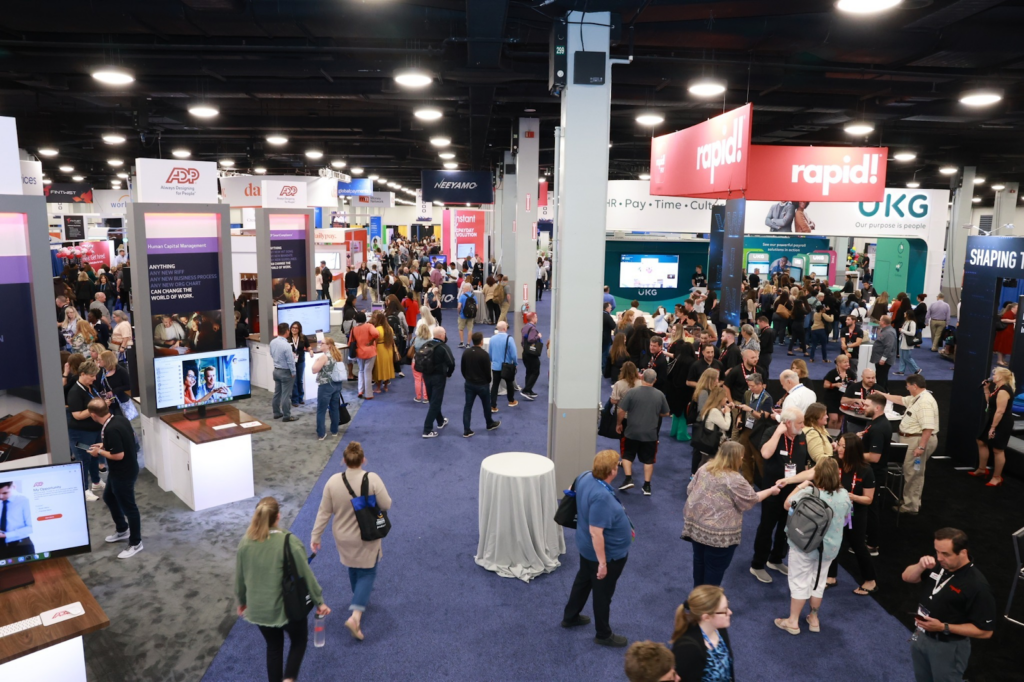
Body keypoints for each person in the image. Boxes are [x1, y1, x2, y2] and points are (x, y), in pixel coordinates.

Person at [236, 497, 329, 682]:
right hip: (287, 609)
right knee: (299, 641)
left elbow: (240, 578)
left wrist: (242, 602)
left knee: (273, 647)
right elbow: (306, 575)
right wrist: (319, 602)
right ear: (278, 516)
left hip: (259, 611)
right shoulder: (289, 541)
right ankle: (289, 679)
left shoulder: (245, 543)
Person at [310, 442, 390, 641]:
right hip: (367, 534)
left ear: (344, 461)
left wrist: (315, 536)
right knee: (368, 571)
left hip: (343, 537)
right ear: (363, 460)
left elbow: (324, 512)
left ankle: (358, 597)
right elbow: (386, 504)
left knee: (353, 566)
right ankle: (355, 616)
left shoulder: (333, 481)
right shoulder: (372, 478)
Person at [901, 528, 996, 682]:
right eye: (937, 552)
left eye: (945, 554)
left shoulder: (977, 586)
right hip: (920, 635)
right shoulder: (940, 563)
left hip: (948, 647)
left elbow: (986, 631)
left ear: (963, 553)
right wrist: (920, 565)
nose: (939, 558)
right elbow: (906, 577)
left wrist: (943, 627)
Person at [561, 449, 633, 647]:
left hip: (585, 546)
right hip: (605, 555)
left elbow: (570, 489)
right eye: (617, 465)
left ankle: (570, 616)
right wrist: (602, 564)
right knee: (603, 594)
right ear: (612, 471)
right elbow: (596, 532)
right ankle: (603, 634)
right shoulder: (602, 496)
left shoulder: (585, 476)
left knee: (583, 580)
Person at [683, 442, 779, 587]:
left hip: (696, 527)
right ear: (736, 458)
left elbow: (690, 490)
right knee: (714, 571)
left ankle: (697, 600)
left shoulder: (704, 468)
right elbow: (751, 499)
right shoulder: (735, 479)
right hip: (719, 536)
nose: (742, 459)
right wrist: (772, 490)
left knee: (699, 563)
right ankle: (709, 606)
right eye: (741, 457)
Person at [773, 458, 851, 636]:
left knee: (799, 581)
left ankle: (793, 622)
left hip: (804, 545)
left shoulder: (808, 492)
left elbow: (787, 505)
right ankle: (813, 618)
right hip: (829, 550)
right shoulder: (844, 494)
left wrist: (800, 486)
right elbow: (846, 517)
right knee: (819, 581)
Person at [750, 406, 807, 584]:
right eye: (800, 422)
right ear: (787, 423)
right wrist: (778, 433)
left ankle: (776, 559)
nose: (803, 426)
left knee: (786, 526)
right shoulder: (771, 432)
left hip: (793, 491)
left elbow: (802, 462)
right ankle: (758, 564)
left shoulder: (801, 436)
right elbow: (766, 453)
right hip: (773, 490)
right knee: (767, 526)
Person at [86, 398, 143, 558]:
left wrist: (99, 452)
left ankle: (136, 542)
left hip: (123, 472)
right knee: (109, 497)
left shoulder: (110, 429)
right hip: (121, 470)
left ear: (93, 415)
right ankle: (122, 529)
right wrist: (103, 446)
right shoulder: (118, 419)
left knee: (129, 508)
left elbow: (118, 455)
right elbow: (122, 441)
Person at [875, 373, 939, 515]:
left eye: (908, 385)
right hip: (913, 439)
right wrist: (883, 395)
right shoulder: (918, 398)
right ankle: (911, 499)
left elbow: (928, 427)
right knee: (912, 471)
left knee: (913, 473)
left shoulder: (924, 403)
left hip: (917, 440)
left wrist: (921, 446)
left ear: (914, 386)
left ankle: (910, 505)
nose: (906, 388)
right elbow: (901, 400)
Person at [616, 369, 670, 496]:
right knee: (649, 460)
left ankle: (628, 478)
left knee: (627, 455)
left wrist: (618, 424)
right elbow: (666, 413)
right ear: (655, 380)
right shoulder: (660, 395)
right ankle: (647, 486)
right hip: (650, 434)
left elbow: (621, 410)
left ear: (641, 378)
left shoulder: (632, 392)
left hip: (632, 431)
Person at [671, 585, 734, 682]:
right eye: (724, 610)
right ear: (706, 617)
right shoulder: (688, 650)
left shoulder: (719, 628)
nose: (730, 612)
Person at [859, 393, 891, 554]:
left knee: (871, 508)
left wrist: (853, 453)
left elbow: (874, 457)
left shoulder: (879, 428)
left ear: (877, 408)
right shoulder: (875, 423)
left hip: (874, 473)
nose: (863, 407)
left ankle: (872, 545)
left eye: (866, 405)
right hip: (871, 471)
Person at [68, 360, 106, 498]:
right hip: (80, 434)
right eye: (91, 376)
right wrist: (96, 408)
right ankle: (83, 490)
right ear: (82, 374)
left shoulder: (91, 386)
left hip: (95, 431)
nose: (94, 378)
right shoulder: (75, 392)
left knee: (95, 456)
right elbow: (77, 415)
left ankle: (96, 482)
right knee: (84, 460)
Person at [972, 367, 1013, 487]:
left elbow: (1000, 411)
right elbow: (990, 403)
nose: (992, 376)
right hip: (993, 419)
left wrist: (993, 428)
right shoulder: (997, 389)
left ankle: (997, 477)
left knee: (998, 449)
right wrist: (986, 389)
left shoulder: (1004, 390)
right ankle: (982, 469)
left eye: (995, 374)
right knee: (980, 441)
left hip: (1002, 422)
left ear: (1001, 376)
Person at [461, 332, 500, 437]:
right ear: (481, 341)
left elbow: (462, 369)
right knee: (486, 405)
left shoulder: (466, 353)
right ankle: (489, 423)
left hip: (469, 384)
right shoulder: (484, 355)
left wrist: (468, 378)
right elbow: (488, 372)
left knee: (468, 406)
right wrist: (487, 381)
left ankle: (466, 429)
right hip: (482, 385)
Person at [421, 327, 456, 438]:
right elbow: (451, 363)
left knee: (433, 400)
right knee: (435, 402)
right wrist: (449, 373)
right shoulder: (443, 347)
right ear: (441, 335)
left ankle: (440, 421)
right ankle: (427, 429)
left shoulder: (426, 344)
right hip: (438, 378)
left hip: (426, 376)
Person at [311, 338, 344, 441]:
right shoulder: (337, 355)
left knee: (321, 410)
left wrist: (316, 361)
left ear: (329, 345)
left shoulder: (324, 357)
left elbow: (314, 370)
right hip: (337, 384)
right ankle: (334, 431)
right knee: (334, 408)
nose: (320, 345)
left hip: (325, 386)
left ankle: (321, 433)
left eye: (323, 343)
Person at [269, 323, 299, 422]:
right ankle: (287, 416)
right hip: (286, 373)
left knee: (277, 393)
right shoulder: (286, 345)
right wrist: (293, 372)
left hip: (276, 370)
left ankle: (276, 413)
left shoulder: (273, 342)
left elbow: (271, 354)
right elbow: (290, 361)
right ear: (287, 331)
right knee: (286, 395)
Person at [488, 321, 519, 411]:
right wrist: (515, 363)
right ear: (505, 329)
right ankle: (511, 401)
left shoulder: (492, 339)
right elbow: (514, 354)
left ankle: (493, 406)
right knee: (509, 383)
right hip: (507, 366)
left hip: (495, 366)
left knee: (495, 385)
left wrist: (493, 361)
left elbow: (490, 353)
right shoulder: (509, 339)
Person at [0, 480, 35, 560]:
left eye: (5, 493)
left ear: (14, 487)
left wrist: (6, 535)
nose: (1, 496)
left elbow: (31, 527)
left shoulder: (25, 500)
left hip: (21, 546)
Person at [349, 312, 380, 400]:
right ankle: (368, 394)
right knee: (368, 372)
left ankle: (360, 391)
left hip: (359, 352)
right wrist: (372, 341)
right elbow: (376, 334)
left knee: (361, 371)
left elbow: (351, 341)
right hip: (370, 352)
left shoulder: (354, 329)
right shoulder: (369, 326)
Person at [370, 311, 396, 394]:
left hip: (380, 349)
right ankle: (385, 386)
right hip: (388, 349)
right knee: (387, 367)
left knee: (379, 368)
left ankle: (378, 387)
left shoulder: (377, 329)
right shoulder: (389, 328)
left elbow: (374, 341)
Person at [286, 322, 311, 407]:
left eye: (296, 328)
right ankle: (295, 400)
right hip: (291, 362)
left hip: (300, 361)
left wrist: (310, 351)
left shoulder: (303, 338)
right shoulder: (288, 338)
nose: (294, 329)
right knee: (294, 381)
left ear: (299, 329)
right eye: (293, 327)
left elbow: (308, 346)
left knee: (300, 380)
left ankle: (301, 398)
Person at [871, 315, 898, 389]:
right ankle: (885, 392)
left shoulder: (889, 332)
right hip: (880, 358)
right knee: (882, 377)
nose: (879, 321)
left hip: (883, 360)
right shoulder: (886, 330)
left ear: (883, 322)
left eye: (880, 320)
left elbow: (889, 346)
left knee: (881, 378)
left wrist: (883, 358)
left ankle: (881, 394)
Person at [410, 320, 433, 403]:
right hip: (427, 362)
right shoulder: (431, 341)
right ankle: (426, 398)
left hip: (416, 360)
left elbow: (410, 347)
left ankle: (418, 397)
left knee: (417, 379)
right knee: (425, 380)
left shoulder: (415, 339)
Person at [521, 312, 542, 399]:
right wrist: (538, 336)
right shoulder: (532, 329)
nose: (537, 319)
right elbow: (531, 339)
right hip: (532, 354)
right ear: (533, 319)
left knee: (529, 371)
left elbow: (523, 341)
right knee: (535, 371)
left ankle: (529, 390)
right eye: (536, 317)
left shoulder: (525, 327)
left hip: (525, 353)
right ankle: (526, 389)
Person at [896, 309, 921, 376]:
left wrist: (903, 330)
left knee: (907, 357)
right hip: (902, 340)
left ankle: (917, 369)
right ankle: (901, 371)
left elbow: (912, 333)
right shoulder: (906, 321)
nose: (904, 314)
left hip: (907, 342)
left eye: (905, 313)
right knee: (902, 357)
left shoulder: (912, 323)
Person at [994, 302, 1016, 367]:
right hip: (1004, 332)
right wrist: (1013, 321)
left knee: (1004, 347)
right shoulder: (1009, 313)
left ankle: (1002, 360)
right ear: (1013, 308)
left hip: (1008, 333)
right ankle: (999, 360)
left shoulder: (1013, 314)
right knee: (1001, 347)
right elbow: (1003, 320)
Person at [457, 282, 476, 348]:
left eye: (463, 288)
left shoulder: (462, 296)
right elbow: (477, 307)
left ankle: (462, 342)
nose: (462, 289)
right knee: (470, 329)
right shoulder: (474, 296)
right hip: (471, 316)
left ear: (466, 289)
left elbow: (459, 306)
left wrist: (459, 312)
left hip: (463, 315)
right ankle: (468, 344)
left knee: (461, 329)